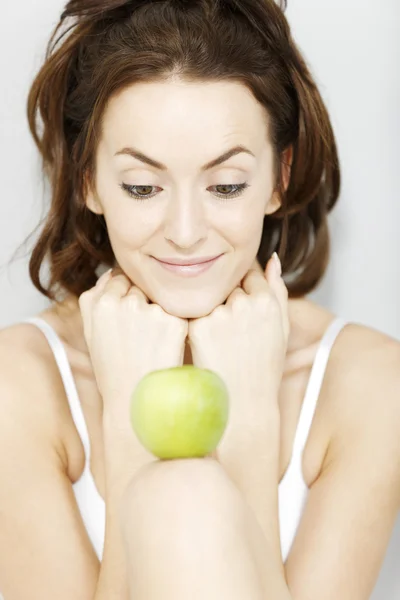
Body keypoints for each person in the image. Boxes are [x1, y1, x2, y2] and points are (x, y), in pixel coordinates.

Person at [0, 0, 399, 598]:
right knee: (181, 496)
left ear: (279, 177)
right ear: (88, 180)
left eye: (226, 185)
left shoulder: (371, 382)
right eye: (142, 187)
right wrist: (132, 427)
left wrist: (253, 422)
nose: (185, 230)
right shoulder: (18, 385)